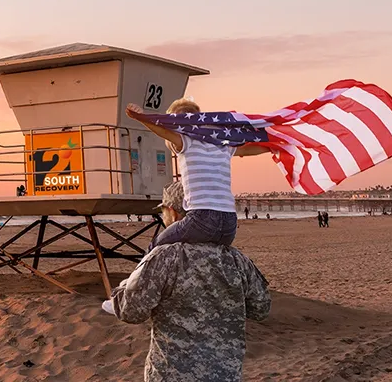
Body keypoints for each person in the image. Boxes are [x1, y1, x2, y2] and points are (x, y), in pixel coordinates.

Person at [104, 181, 271, 382]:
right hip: (225, 374)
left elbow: (131, 311)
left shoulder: (164, 257)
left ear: (173, 213)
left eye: (163, 212)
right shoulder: (236, 259)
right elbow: (261, 309)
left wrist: (122, 289)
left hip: (173, 375)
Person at [126, 99, 269, 253]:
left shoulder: (186, 141)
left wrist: (141, 118)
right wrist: (275, 146)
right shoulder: (222, 143)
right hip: (229, 225)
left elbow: (163, 132)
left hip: (202, 219)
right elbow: (249, 150)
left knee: (155, 247)